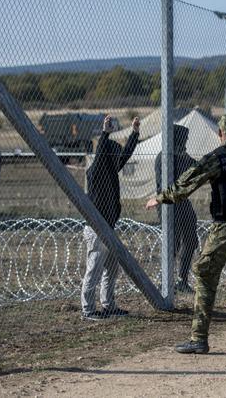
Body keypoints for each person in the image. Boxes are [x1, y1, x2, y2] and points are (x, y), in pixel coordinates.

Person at [145, 113, 226, 355]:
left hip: (225, 225)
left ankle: (199, 338)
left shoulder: (217, 158)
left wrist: (160, 197)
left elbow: (188, 183)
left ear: (221, 134)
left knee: (206, 278)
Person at [81, 115, 140, 320]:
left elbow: (125, 155)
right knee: (94, 270)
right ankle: (88, 310)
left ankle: (108, 305)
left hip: (108, 227)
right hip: (97, 229)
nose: (119, 160)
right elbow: (100, 154)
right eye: (114, 156)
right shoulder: (97, 170)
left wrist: (135, 133)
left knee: (111, 270)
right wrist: (105, 133)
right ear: (108, 156)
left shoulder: (112, 169)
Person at [154, 125, 199, 293]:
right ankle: (167, 282)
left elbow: (197, 168)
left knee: (191, 240)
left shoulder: (183, 157)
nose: (185, 143)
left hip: (182, 201)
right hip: (167, 203)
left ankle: (182, 280)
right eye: (183, 140)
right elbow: (166, 186)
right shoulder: (163, 158)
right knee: (172, 244)